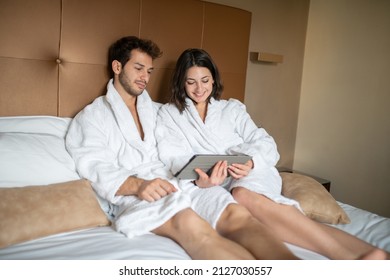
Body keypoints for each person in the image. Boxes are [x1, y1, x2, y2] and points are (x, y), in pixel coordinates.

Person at [155, 48, 389, 260]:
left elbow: (266, 143)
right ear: (181, 83)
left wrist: (251, 162)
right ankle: (363, 253)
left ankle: (346, 256)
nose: (199, 89)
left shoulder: (231, 108)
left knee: (243, 195)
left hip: (250, 172)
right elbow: (174, 158)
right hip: (210, 182)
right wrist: (203, 180)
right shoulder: (169, 114)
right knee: (248, 206)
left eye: (205, 80)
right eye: (191, 82)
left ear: (214, 79)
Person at [65, 36, 261, 260]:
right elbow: (94, 165)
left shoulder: (157, 111)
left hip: (178, 184)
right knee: (193, 226)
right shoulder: (92, 117)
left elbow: (179, 154)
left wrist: (199, 179)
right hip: (138, 193)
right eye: (138, 68)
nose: (145, 77)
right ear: (117, 66)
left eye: (149, 71)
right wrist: (138, 186)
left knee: (237, 215)